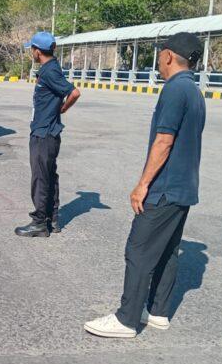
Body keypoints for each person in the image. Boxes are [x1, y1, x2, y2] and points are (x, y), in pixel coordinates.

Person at [85, 32, 206, 338]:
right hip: (184, 187)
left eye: (160, 54)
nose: (159, 60)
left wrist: (143, 184)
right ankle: (157, 311)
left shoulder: (174, 89)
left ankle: (126, 320)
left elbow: (164, 141)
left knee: (138, 250)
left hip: (164, 188)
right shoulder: (194, 91)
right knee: (166, 250)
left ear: (168, 56)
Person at [15, 32, 81, 237]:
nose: (31, 53)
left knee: (40, 178)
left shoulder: (50, 71)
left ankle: (39, 223)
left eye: (32, 49)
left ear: (37, 51)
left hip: (44, 133)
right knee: (49, 175)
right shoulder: (50, 68)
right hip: (47, 131)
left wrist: (63, 108)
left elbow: (74, 92)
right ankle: (52, 219)